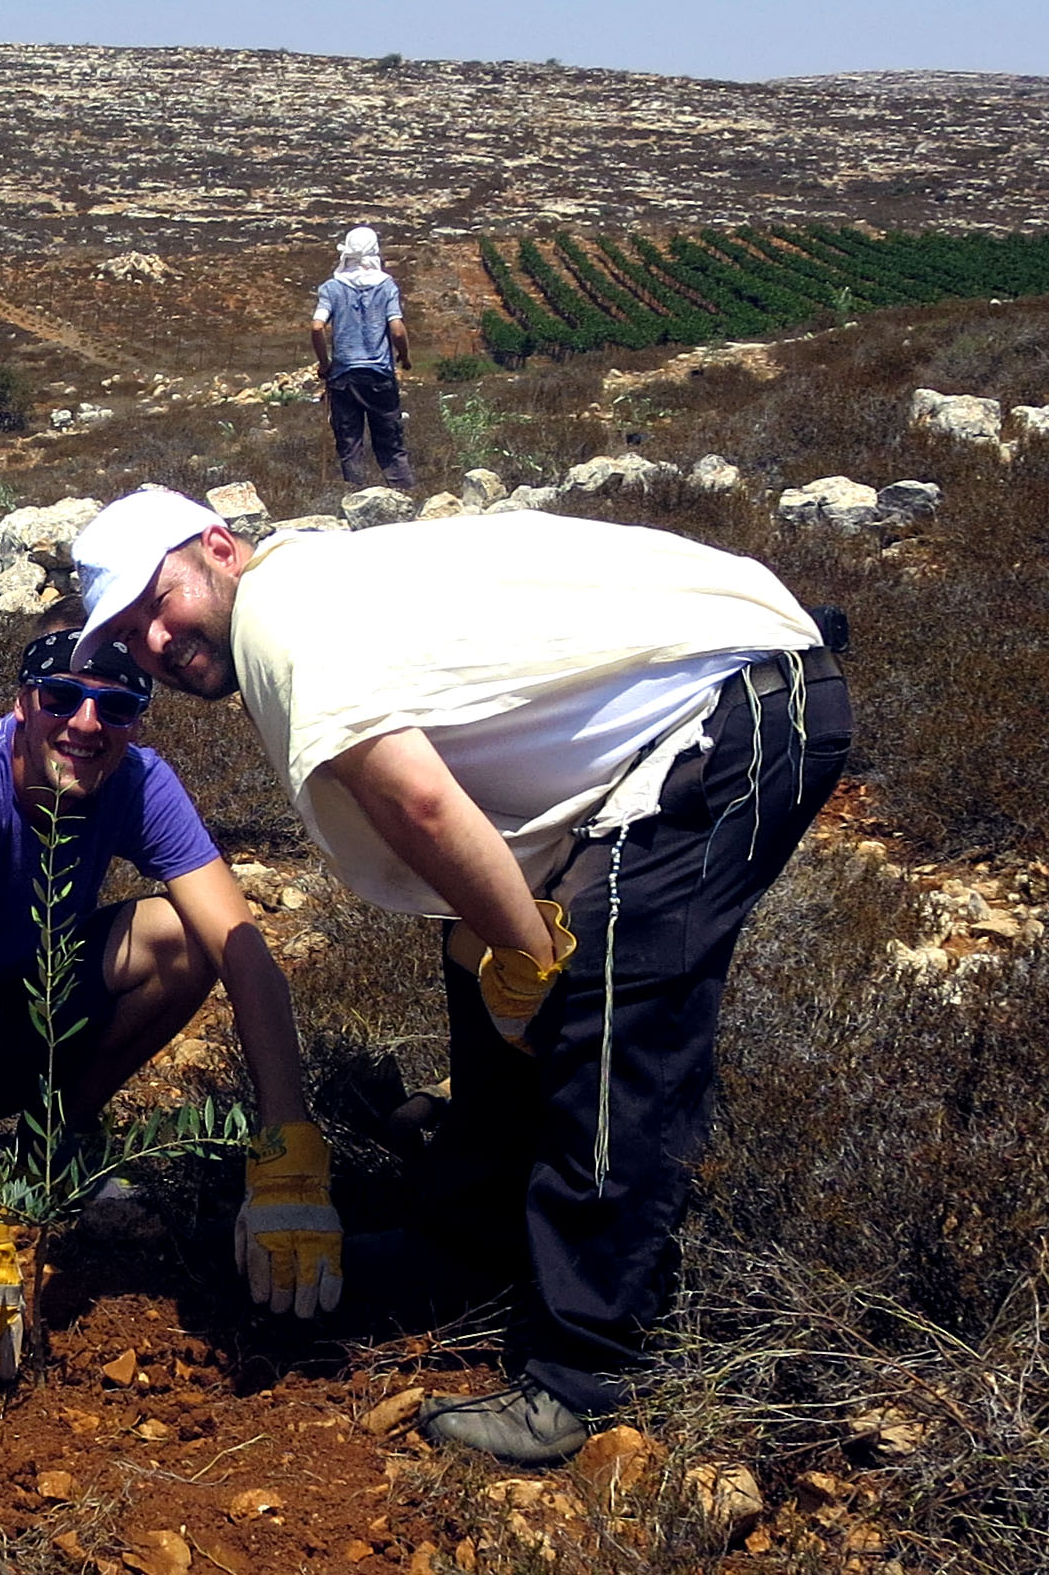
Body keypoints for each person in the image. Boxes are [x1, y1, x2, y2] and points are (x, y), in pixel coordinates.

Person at [69, 488, 851, 1463]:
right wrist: (500, 959)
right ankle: (465, 1248)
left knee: (606, 1029)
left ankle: (583, 1377)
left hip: (728, 714)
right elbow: (463, 796)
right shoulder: (312, 588)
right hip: (664, 738)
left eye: (158, 603)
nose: (152, 642)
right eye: (128, 635)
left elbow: (425, 807)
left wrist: (534, 962)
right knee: (494, 975)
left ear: (219, 547)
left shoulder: (282, 620)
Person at [0, 611, 339, 1380]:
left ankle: (53, 1148)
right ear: (23, 703)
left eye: (116, 706)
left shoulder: (138, 780)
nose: (87, 724)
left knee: (179, 937)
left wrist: (292, 1153)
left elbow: (242, 951)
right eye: (61, 697)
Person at [312, 226, 414, 488]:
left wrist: (325, 365)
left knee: (350, 444)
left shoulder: (331, 288)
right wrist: (404, 356)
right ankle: (403, 492)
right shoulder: (386, 286)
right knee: (390, 442)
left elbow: (316, 326)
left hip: (343, 377)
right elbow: (397, 329)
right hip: (379, 375)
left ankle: (355, 495)